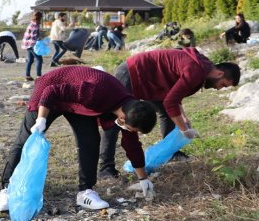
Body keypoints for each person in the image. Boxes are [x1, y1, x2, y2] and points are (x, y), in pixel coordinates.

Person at [0, 66, 158, 212]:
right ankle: (6, 190)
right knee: (26, 139)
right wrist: (41, 120)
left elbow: (132, 145)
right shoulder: (96, 92)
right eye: (131, 128)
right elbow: (51, 91)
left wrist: (143, 178)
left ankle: (85, 192)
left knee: (90, 141)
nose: (129, 131)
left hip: (77, 103)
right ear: (122, 118)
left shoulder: (131, 109)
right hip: (49, 90)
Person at [99, 48, 241, 178]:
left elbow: (175, 93)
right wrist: (184, 130)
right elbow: (170, 102)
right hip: (132, 73)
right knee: (116, 121)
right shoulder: (197, 71)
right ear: (219, 73)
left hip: (152, 82)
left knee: (168, 114)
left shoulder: (202, 68)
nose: (219, 89)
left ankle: (171, 152)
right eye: (222, 84)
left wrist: (183, 117)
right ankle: (106, 168)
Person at [22, 11, 44, 81]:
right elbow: (34, 36)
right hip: (32, 44)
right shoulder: (35, 25)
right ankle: (39, 76)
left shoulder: (31, 23)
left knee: (30, 60)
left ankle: (27, 76)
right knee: (39, 60)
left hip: (27, 44)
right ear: (40, 17)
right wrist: (40, 40)